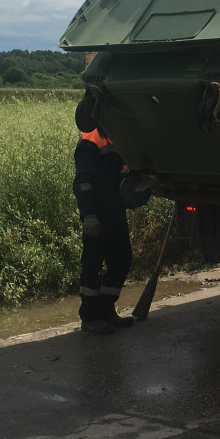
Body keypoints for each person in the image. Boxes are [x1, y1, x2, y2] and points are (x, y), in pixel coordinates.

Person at [72, 125, 135, 334]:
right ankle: (89, 318)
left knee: (122, 258)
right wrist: (89, 215)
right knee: (93, 263)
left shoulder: (117, 137)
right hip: (97, 214)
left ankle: (106, 310)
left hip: (115, 212)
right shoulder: (91, 139)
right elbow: (83, 182)